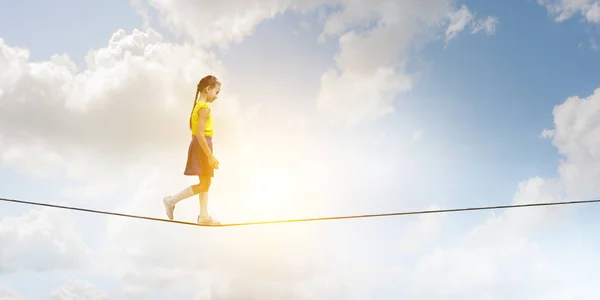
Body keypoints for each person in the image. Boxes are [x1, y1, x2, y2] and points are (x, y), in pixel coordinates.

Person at [163, 75, 221, 225]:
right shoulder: (204, 108)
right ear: (208, 89)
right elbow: (200, 134)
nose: (216, 96)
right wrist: (210, 156)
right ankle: (172, 200)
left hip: (200, 144)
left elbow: (195, 135)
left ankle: (203, 216)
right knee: (204, 183)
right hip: (203, 145)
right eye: (216, 92)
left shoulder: (198, 106)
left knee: (206, 182)